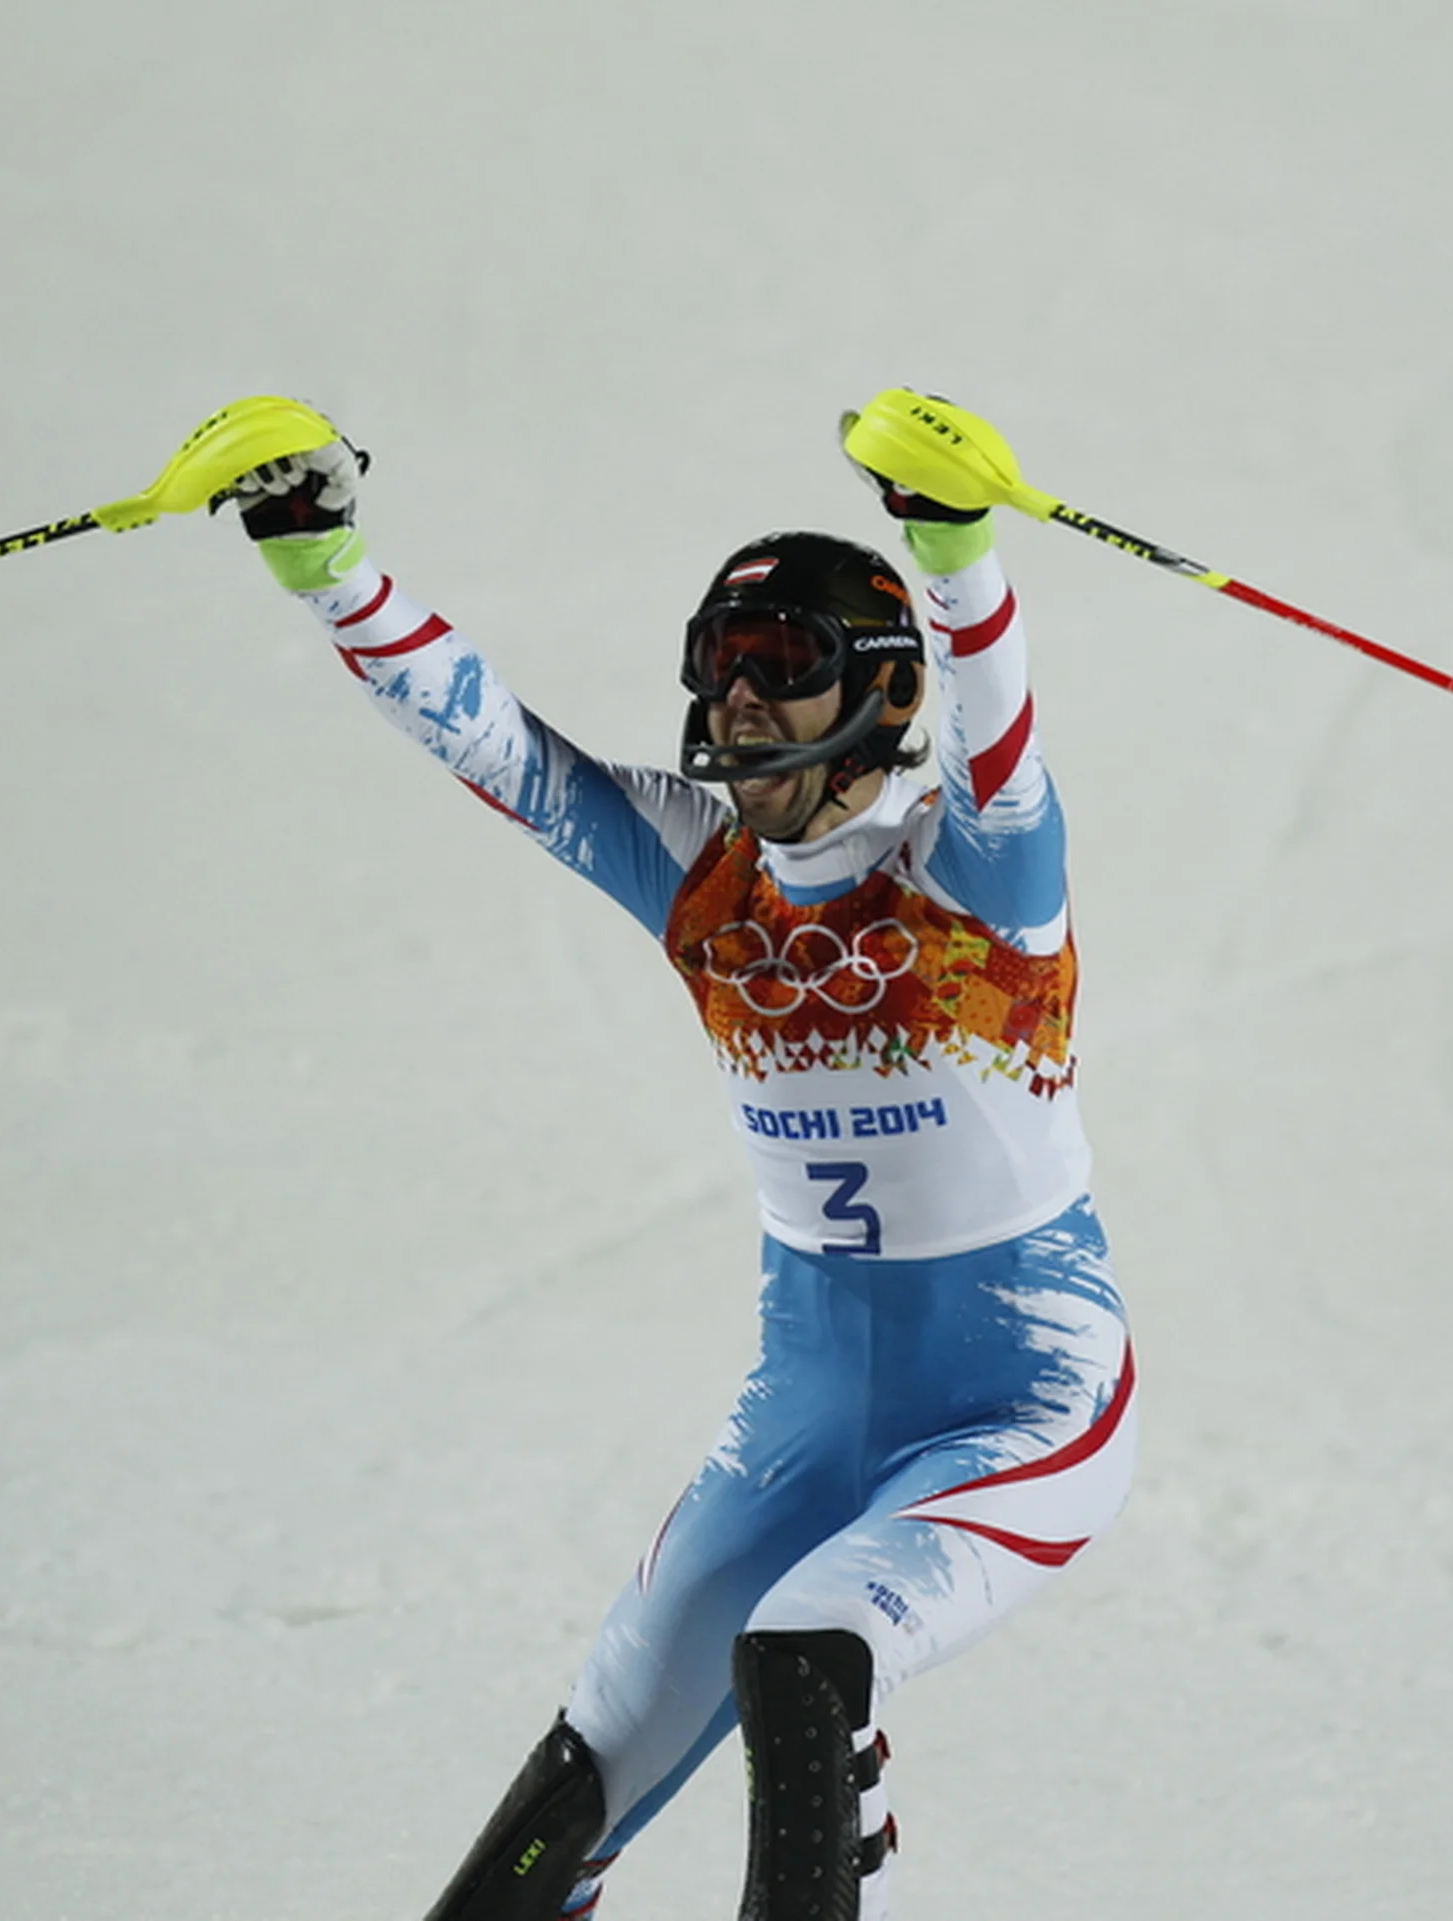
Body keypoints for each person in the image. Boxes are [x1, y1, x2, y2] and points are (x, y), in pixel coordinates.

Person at [231, 391, 1137, 1921]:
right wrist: (323, 558)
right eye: (718, 675)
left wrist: (959, 553)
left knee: (804, 1660)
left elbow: (1002, 736)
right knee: (564, 1804)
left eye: (779, 671)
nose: (737, 709)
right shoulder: (704, 872)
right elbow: (494, 742)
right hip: (801, 1421)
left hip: (1020, 1405)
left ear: (883, 690)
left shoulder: (978, 872)